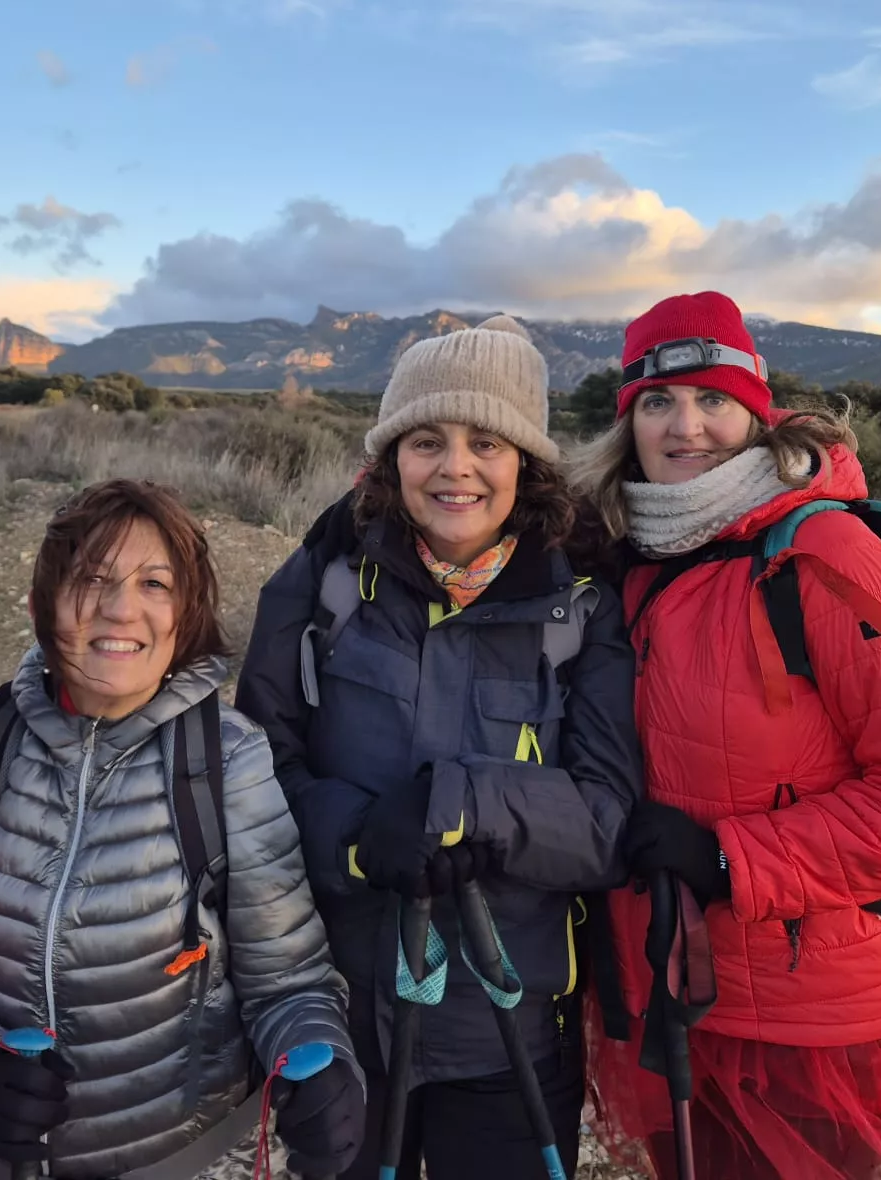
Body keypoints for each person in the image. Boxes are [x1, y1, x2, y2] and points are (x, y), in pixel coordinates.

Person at [573, 291, 881, 1180]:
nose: (685, 426)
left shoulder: (823, 556)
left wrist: (725, 859)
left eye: (713, 399)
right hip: (683, 980)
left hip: (810, 1007)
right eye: (658, 402)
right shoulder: (636, 552)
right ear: (629, 422)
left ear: (757, 411)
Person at [238, 315, 643, 1180]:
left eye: (485, 442)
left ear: (526, 463)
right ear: (392, 459)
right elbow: (254, 770)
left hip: (508, 1029)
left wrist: (456, 805)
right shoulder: (327, 580)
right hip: (340, 1012)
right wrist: (357, 836)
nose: (455, 467)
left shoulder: (583, 608)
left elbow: (609, 823)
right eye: (427, 441)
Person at [0, 478, 365, 1180]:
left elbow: (289, 982)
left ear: (186, 614)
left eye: (155, 583)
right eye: (91, 579)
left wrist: (325, 1067)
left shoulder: (225, 759)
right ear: (42, 605)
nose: (121, 609)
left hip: (184, 1161)